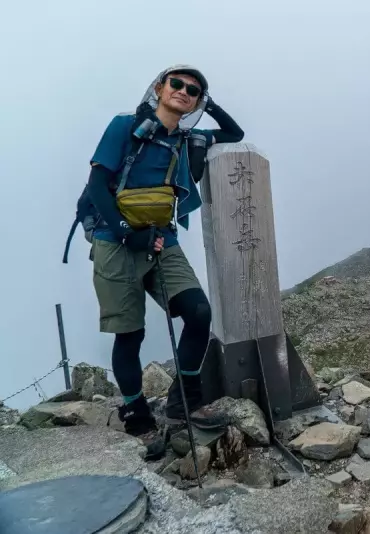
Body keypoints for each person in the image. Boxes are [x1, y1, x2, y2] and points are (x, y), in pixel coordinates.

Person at [86, 65, 244, 457]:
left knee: (199, 312)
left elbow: (234, 133)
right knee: (130, 334)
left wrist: (210, 104)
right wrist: (126, 231)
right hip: (115, 241)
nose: (184, 92)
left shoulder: (188, 138)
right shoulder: (125, 126)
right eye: (177, 84)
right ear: (159, 87)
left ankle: (184, 402)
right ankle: (137, 417)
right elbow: (97, 185)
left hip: (160, 239)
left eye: (193, 91)